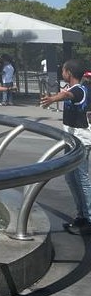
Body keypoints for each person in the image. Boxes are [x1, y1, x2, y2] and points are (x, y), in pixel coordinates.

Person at [40, 60, 91, 235]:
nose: (62, 72)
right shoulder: (72, 89)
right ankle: (81, 215)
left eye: (63, 70)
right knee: (71, 178)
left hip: (81, 141)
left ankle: (89, 218)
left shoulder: (79, 89)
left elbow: (68, 96)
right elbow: (67, 94)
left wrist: (53, 98)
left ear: (68, 73)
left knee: (83, 179)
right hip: (71, 140)